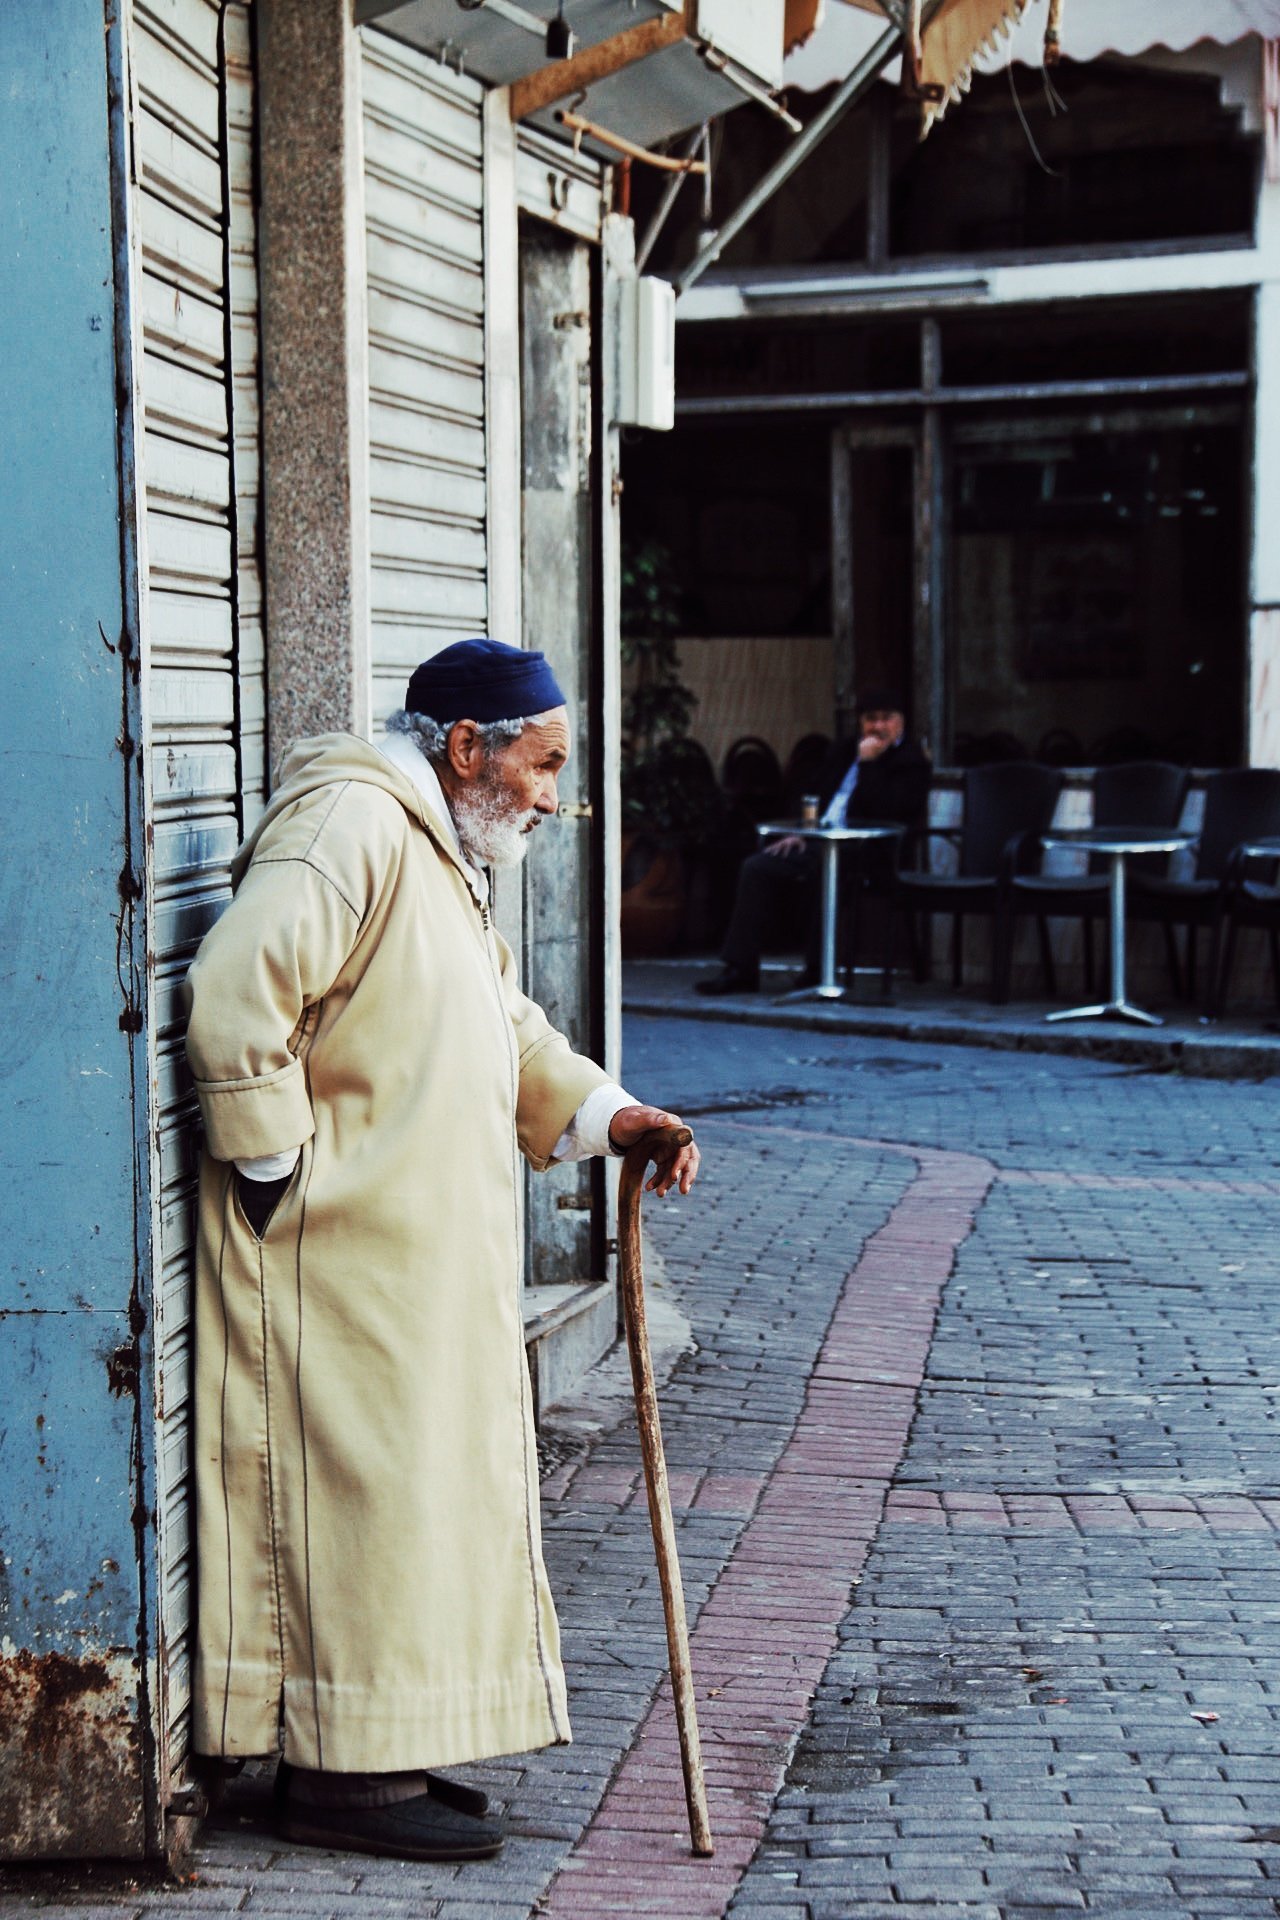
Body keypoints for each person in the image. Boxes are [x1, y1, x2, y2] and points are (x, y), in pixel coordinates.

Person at [183, 638, 699, 1864]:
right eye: (543, 764)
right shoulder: (352, 827)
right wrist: (277, 1177)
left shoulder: (438, 849)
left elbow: (499, 1020)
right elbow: (230, 999)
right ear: (465, 748)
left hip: (409, 1256)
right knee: (353, 1501)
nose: (553, 795)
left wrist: (606, 1114)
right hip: (333, 1249)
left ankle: (379, 1748)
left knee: (410, 1506)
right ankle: (338, 1775)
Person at [695, 689, 930, 995]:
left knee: (826, 871)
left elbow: (887, 811)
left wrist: (869, 764)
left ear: (901, 723)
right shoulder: (843, 751)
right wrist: (799, 832)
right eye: (871, 719)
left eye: (887, 719)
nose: (878, 727)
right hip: (820, 841)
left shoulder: (911, 762)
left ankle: (819, 970)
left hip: (872, 852)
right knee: (757, 867)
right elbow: (811, 793)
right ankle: (740, 968)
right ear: (860, 722)